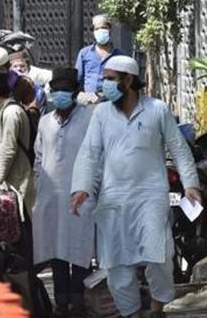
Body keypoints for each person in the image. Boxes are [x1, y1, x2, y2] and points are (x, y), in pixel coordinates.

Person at [71, 56, 201, 318]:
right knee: (116, 264)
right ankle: (132, 313)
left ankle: (156, 308)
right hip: (112, 200)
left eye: (110, 79)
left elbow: (178, 148)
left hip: (151, 197)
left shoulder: (157, 109)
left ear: (128, 80)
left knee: (160, 257)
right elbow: (89, 153)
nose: (104, 84)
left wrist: (190, 184)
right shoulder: (101, 115)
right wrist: (81, 187)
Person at [33, 67, 94, 318]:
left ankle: (79, 300)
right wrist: (39, 184)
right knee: (56, 249)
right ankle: (61, 302)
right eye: (55, 90)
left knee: (80, 247)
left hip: (81, 193)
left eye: (65, 90)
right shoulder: (45, 121)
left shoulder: (89, 118)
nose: (60, 94)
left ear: (75, 92)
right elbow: (38, 157)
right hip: (51, 195)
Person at [0, 69, 35, 218]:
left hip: (20, 181)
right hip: (13, 180)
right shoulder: (6, 111)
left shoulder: (11, 113)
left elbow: (8, 149)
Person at [75, 14, 125, 103]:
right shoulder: (84, 53)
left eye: (103, 28)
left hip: (111, 102)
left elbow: (123, 81)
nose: (100, 31)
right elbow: (78, 78)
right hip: (89, 102)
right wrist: (82, 96)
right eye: (97, 29)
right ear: (93, 32)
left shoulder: (119, 55)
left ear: (110, 29)